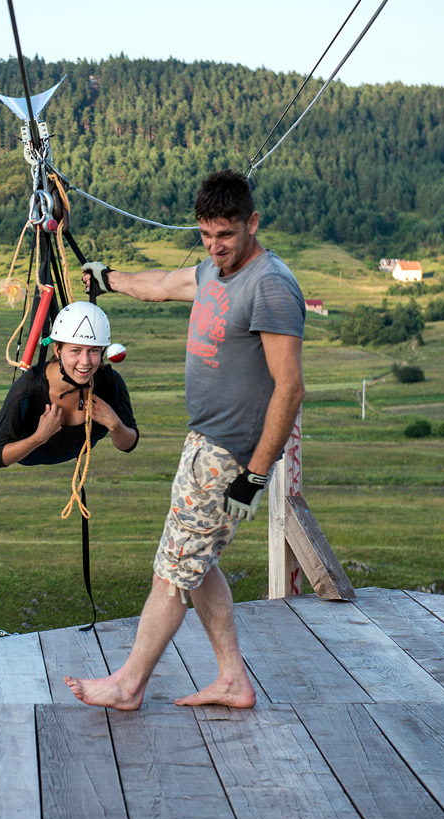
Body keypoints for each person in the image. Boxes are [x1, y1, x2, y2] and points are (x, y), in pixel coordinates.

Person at [65, 169, 305, 709]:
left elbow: (290, 389)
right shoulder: (214, 270)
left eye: (227, 235)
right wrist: (109, 278)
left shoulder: (269, 285)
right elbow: (165, 284)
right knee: (196, 564)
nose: (216, 246)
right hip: (203, 445)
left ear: (252, 223)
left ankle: (128, 684)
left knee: (172, 571)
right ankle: (232, 679)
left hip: (229, 455)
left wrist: (254, 475)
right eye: (207, 235)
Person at [0, 301, 138, 469]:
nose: (85, 361)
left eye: (93, 351)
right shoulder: (28, 388)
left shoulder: (109, 383)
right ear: (57, 350)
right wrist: (39, 437)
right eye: (75, 350)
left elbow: (128, 444)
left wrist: (115, 425)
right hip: (31, 455)